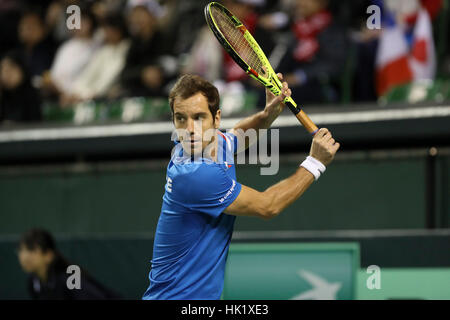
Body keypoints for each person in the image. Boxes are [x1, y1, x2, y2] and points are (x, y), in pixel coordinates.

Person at [142, 74, 339, 300]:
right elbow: (268, 206)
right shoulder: (195, 174)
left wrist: (268, 114)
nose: (189, 129)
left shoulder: (211, 143)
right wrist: (315, 163)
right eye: (180, 119)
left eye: (198, 117)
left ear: (216, 120)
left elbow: (237, 136)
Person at [17, 228, 120, 300]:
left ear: (48, 255)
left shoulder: (69, 279)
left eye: (32, 250)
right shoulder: (34, 282)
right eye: (21, 250)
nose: (25, 256)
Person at [0, 50, 41, 124]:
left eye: (11, 69)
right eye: (3, 70)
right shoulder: (3, 95)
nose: (6, 75)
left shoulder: (31, 95)